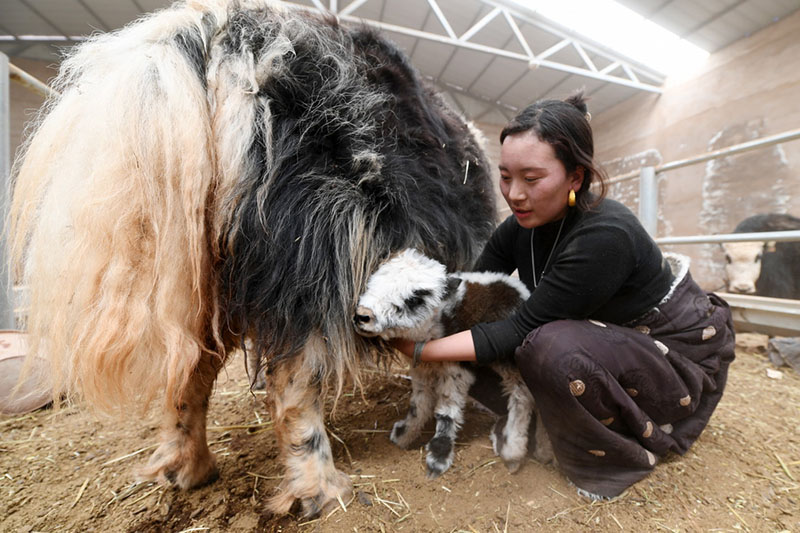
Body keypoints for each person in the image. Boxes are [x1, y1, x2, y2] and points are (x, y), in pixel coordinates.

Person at [393, 92, 736, 500]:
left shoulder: (605, 235)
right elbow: (468, 292)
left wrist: (419, 351)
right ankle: (553, 417)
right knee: (489, 333)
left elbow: (521, 327)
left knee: (545, 346)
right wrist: (399, 303)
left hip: (666, 351)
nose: (514, 194)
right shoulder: (521, 226)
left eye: (532, 179)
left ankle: (609, 458)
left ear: (575, 178)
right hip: (601, 339)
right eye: (505, 176)